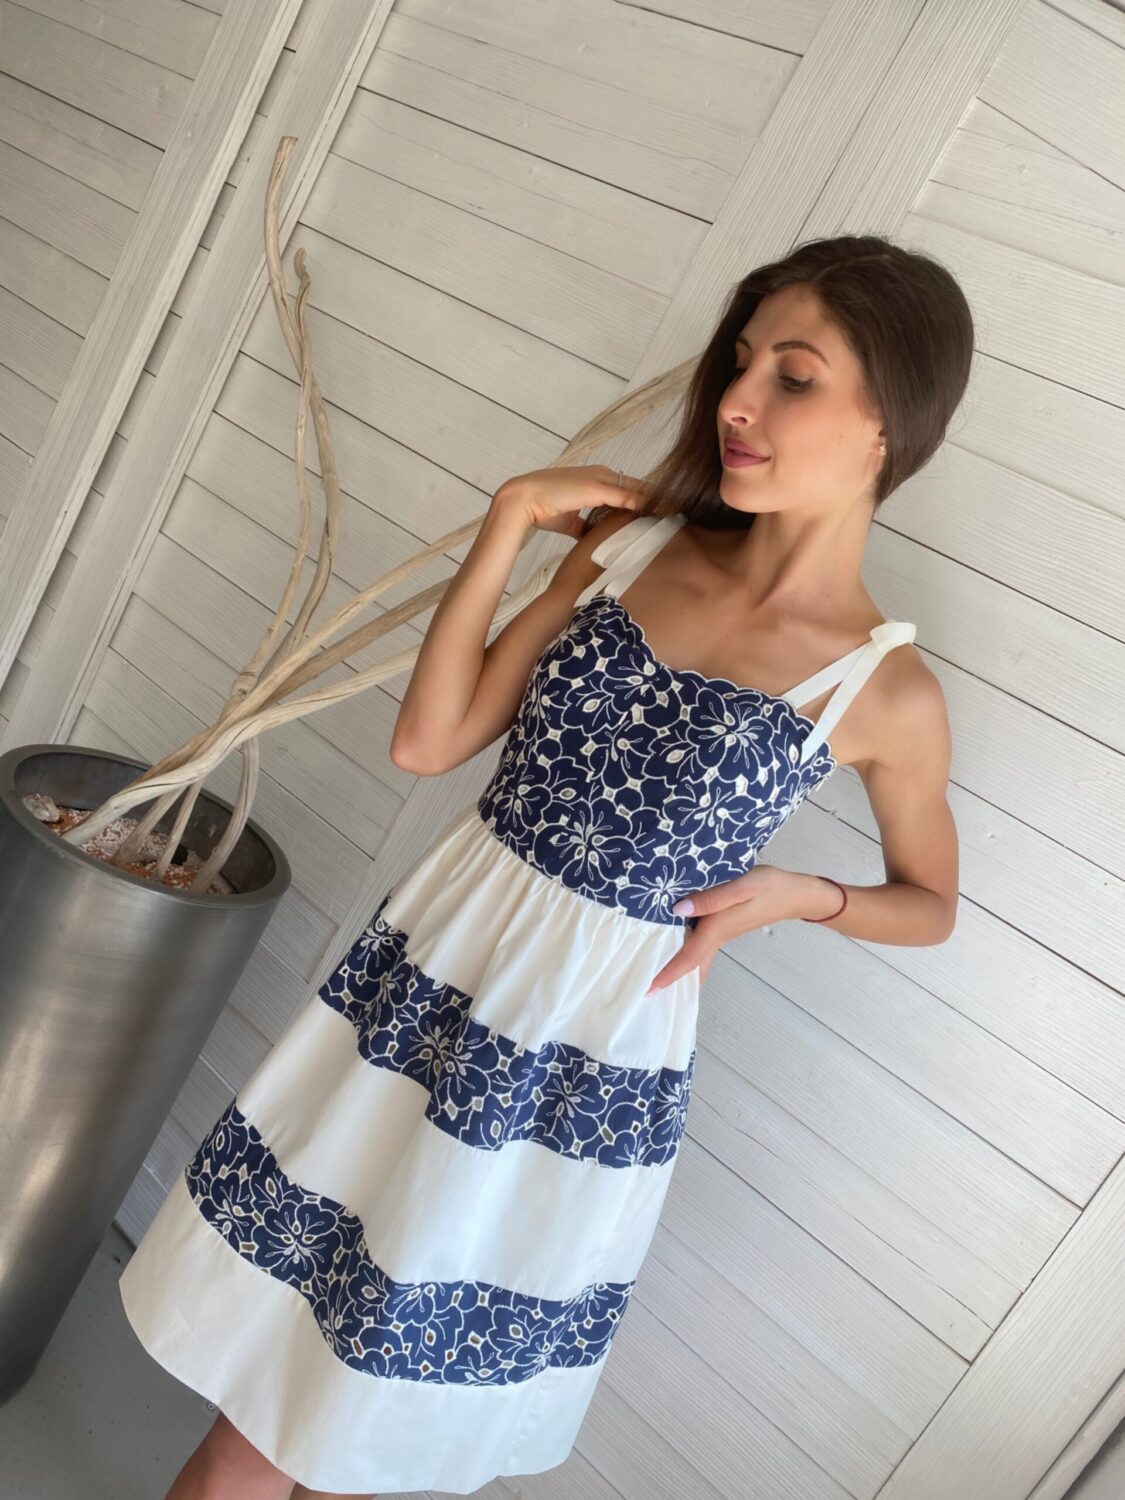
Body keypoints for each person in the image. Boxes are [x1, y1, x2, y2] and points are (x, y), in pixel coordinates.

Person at [118, 233, 967, 1498]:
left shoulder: (883, 689)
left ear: (892, 424)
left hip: (587, 1051)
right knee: (271, 1404)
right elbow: (431, 739)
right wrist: (512, 517)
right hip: (439, 978)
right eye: (742, 364)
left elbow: (930, 905)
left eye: (793, 378)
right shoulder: (636, 550)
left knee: (367, 1422)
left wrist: (804, 896)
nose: (737, 402)